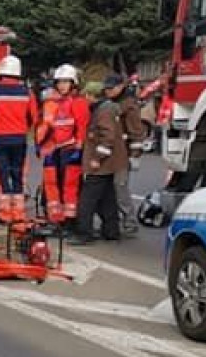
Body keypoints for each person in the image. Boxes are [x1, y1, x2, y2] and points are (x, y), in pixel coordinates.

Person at [0, 55, 40, 224]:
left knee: (2, 176)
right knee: (18, 176)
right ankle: (19, 213)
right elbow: (35, 118)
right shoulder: (28, 93)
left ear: (2, 72)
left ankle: (5, 213)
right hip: (19, 140)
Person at [71, 74, 130, 245]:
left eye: (86, 96)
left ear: (91, 96)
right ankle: (111, 231)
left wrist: (97, 158)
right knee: (107, 198)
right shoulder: (110, 109)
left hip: (102, 164)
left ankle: (84, 233)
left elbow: (107, 137)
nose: (85, 99)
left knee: (87, 199)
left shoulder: (102, 111)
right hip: (112, 163)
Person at [35, 66, 92, 225]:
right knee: (52, 186)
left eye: (66, 82)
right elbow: (45, 126)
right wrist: (40, 144)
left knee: (70, 187)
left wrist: (79, 148)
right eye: (59, 82)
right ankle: (56, 219)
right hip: (54, 150)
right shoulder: (52, 103)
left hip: (71, 149)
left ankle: (70, 220)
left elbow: (82, 127)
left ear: (73, 83)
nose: (62, 85)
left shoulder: (78, 103)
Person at [114, 76, 152, 235]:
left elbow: (137, 132)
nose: (109, 91)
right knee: (112, 189)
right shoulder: (114, 103)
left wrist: (134, 155)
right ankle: (114, 221)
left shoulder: (129, 106)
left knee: (119, 187)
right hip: (113, 152)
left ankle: (129, 221)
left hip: (124, 153)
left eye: (112, 88)